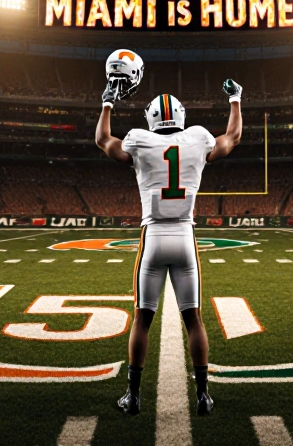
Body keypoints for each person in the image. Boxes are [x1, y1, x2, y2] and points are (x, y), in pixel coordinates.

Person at [95, 75, 243, 417]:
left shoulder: (139, 140)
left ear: (151, 119)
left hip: (154, 238)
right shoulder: (198, 138)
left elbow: (103, 140)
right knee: (194, 320)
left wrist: (107, 102)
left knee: (142, 320)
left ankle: (133, 397)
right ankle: (203, 396)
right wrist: (235, 100)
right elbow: (232, 137)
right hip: (185, 238)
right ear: (181, 116)